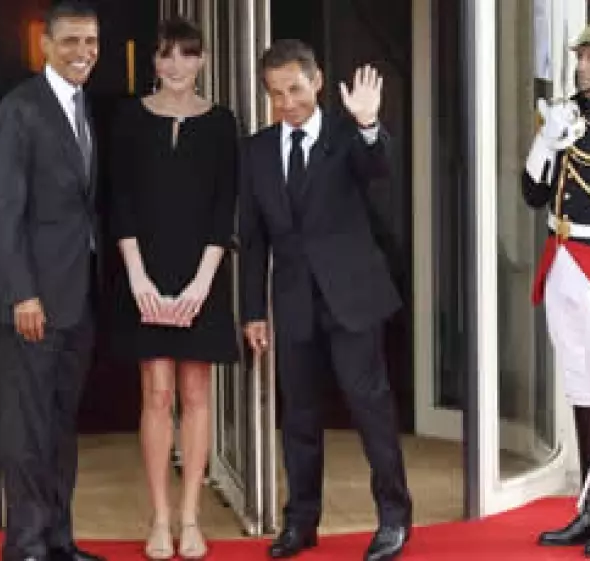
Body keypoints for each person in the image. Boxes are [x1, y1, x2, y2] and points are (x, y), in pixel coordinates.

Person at [238, 39, 412, 561]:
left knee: (370, 410)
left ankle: (394, 519)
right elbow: (253, 240)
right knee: (299, 418)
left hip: (353, 297)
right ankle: (301, 523)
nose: (286, 103)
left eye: (294, 89)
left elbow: (378, 168)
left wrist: (367, 124)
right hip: (292, 304)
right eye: (275, 94)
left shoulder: (347, 135)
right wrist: (251, 310)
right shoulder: (257, 150)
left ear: (316, 81)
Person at [0, 2, 104, 560]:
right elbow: (4, 211)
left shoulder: (80, 105)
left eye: (91, 42)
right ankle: (24, 545)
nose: (83, 53)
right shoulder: (20, 109)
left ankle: (58, 539)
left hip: (75, 298)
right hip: (32, 301)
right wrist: (24, 292)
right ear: (44, 45)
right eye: (70, 41)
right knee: (26, 429)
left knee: (59, 425)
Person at [110, 17, 238, 561]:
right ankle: (160, 518)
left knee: (196, 394)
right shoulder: (128, 119)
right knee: (157, 393)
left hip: (202, 275)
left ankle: (191, 518)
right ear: (154, 62)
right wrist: (138, 278)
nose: (177, 65)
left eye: (188, 54)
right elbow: (119, 202)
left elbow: (224, 207)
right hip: (145, 274)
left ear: (203, 60)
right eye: (167, 55)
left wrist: (203, 283)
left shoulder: (222, 123)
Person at [522, 5, 590, 557]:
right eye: (580, 56)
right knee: (581, 384)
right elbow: (533, 193)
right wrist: (546, 144)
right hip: (561, 253)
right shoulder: (565, 112)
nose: (583, 64)